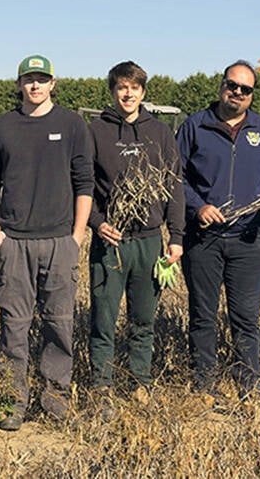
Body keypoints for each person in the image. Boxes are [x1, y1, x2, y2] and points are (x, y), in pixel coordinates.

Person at [0, 55, 94, 431]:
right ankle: (12, 401)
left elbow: (84, 183)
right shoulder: (1, 126)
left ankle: (55, 398)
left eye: (42, 79)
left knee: (60, 324)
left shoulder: (72, 124)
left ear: (53, 84)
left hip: (60, 241)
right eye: (28, 79)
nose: (35, 86)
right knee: (13, 326)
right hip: (15, 241)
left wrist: (76, 237)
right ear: (18, 84)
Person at [176, 60, 260, 397]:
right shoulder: (195, 126)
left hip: (248, 239)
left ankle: (247, 387)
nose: (237, 93)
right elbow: (174, 176)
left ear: (252, 95)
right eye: (232, 85)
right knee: (203, 316)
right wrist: (199, 207)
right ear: (221, 86)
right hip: (203, 240)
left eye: (245, 89)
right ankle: (204, 386)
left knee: (245, 319)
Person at [87, 61, 185, 416]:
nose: (128, 94)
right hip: (110, 242)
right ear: (112, 92)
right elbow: (83, 186)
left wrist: (176, 236)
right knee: (103, 316)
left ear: (143, 92)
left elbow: (174, 185)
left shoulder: (160, 132)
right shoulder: (95, 131)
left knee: (143, 318)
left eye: (134, 88)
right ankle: (102, 385)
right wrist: (97, 223)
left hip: (148, 242)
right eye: (121, 88)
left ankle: (140, 380)